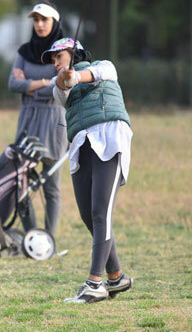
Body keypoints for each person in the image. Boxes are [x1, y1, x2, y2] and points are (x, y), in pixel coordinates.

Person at [42, 37, 134, 303]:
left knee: (100, 211)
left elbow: (98, 74)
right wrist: (65, 78)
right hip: (82, 145)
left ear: (74, 53)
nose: (55, 63)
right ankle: (116, 277)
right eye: (52, 60)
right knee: (87, 214)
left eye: (58, 57)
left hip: (110, 140)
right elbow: (61, 90)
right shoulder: (56, 83)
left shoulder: (105, 66)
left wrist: (77, 75)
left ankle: (95, 283)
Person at [8, 1, 67, 236]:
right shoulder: (24, 51)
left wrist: (31, 85)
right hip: (28, 120)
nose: (40, 24)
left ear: (54, 22)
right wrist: (46, 82)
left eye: (45, 19)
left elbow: (60, 86)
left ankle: (48, 240)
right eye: (36, 20)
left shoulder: (64, 50)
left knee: (51, 186)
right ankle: (31, 237)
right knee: (20, 182)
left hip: (54, 122)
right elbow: (12, 84)